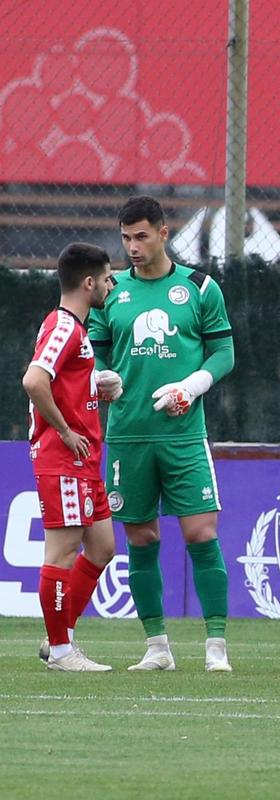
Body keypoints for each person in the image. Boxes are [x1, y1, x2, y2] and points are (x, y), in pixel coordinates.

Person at [89, 195, 236, 672]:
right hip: (128, 435)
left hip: (184, 435)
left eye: (141, 236)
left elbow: (224, 354)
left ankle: (216, 646)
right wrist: (102, 377)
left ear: (164, 233)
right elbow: (91, 355)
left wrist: (191, 387)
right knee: (142, 539)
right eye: (126, 238)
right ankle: (157, 647)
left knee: (201, 532)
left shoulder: (199, 287)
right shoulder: (111, 292)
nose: (132, 247)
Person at [24, 243, 121, 671]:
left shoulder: (75, 331)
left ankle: (58, 637)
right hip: (62, 458)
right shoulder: (64, 326)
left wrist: (94, 387)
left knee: (102, 547)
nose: (110, 283)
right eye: (105, 277)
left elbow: (59, 382)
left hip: (84, 461)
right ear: (88, 283)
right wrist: (64, 430)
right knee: (61, 553)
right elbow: (34, 380)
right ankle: (62, 651)